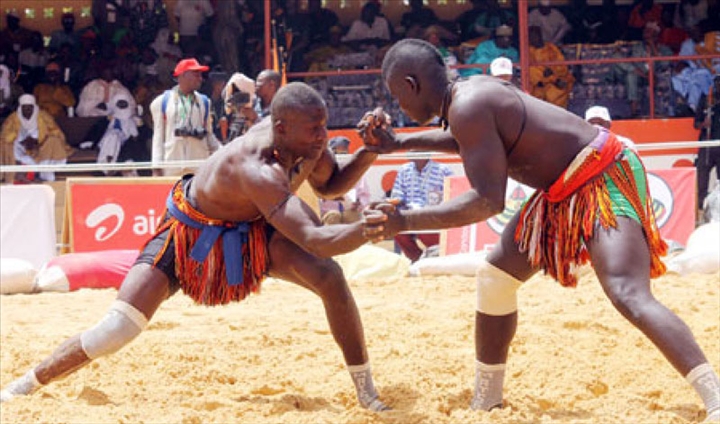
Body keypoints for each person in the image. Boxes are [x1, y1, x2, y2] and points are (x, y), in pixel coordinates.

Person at [358, 38, 720, 420]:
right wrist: (397, 143)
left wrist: (405, 221)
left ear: (411, 84)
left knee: (627, 292)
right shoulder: (470, 97)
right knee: (496, 276)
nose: (400, 107)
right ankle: (487, 399)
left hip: (601, 173)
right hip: (562, 187)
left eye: (398, 97)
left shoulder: (468, 106)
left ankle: (716, 398)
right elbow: (464, 139)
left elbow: (487, 201)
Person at [0, 82, 390, 412]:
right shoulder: (256, 165)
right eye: (315, 130)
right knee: (116, 329)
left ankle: (366, 390)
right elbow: (315, 240)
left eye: (324, 127)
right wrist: (372, 228)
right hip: (190, 234)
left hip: (250, 228)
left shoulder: (303, 142)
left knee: (330, 278)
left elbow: (330, 184)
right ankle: (25, 384)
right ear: (281, 127)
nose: (323, 137)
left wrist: (370, 150)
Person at [150, 58, 219, 177]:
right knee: (174, 195)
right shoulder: (162, 102)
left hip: (198, 166)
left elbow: (209, 134)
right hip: (172, 165)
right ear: (183, 76)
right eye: (196, 74)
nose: (200, 79)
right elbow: (158, 137)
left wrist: (221, 153)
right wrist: (156, 168)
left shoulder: (204, 102)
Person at [389, 156, 453, 263]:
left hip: (434, 215)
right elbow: (397, 196)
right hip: (409, 214)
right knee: (393, 225)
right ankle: (416, 260)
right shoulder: (404, 170)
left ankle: (437, 257)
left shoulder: (443, 170)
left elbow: (452, 195)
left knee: (425, 229)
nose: (410, 151)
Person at [0, 94, 73, 182]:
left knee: (54, 141)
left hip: (41, 147)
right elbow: (5, 135)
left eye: (30, 107)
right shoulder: (12, 118)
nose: (27, 110)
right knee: (5, 145)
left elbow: (56, 132)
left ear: (34, 107)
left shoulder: (43, 116)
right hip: (21, 147)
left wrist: (38, 140)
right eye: (25, 108)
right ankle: (19, 174)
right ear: (20, 108)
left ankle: (43, 171)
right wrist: (22, 141)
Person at [319, 136, 371, 225]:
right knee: (333, 216)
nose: (340, 156)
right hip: (328, 213)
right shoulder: (322, 173)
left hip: (351, 210)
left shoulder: (356, 173)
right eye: (336, 152)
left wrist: (359, 203)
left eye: (343, 152)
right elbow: (316, 198)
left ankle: (354, 238)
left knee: (352, 215)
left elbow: (365, 195)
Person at [528, 26, 575, 109]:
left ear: (540, 35)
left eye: (534, 35)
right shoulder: (528, 51)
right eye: (530, 36)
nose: (533, 39)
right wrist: (551, 78)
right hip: (540, 85)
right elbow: (531, 71)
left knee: (558, 91)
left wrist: (552, 72)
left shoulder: (551, 48)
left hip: (556, 81)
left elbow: (562, 66)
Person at [694, 75, 720, 221]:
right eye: (717, 84)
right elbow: (696, 124)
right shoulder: (706, 101)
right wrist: (704, 123)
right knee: (702, 181)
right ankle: (700, 214)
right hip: (706, 145)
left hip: (719, 145)